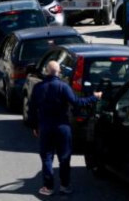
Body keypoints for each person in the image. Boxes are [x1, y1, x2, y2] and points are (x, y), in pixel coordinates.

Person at [27, 60, 102, 196]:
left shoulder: (38, 87)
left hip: (45, 127)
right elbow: (77, 102)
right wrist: (94, 98)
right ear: (58, 72)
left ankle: (48, 187)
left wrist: (34, 125)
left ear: (46, 71)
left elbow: (32, 109)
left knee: (47, 157)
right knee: (64, 157)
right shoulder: (63, 86)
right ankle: (65, 185)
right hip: (62, 127)